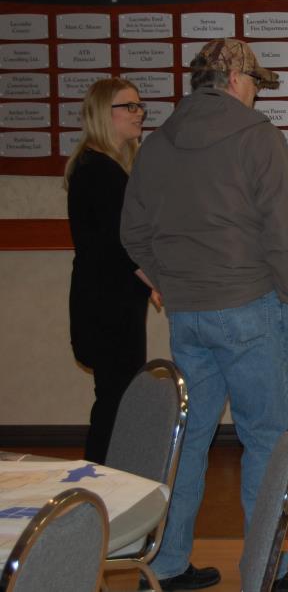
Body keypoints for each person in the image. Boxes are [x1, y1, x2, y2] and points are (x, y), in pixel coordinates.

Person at [121, 38, 288, 592]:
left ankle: (166, 563)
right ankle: (263, 571)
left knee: (190, 439)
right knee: (265, 439)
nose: (255, 94)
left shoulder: (157, 144)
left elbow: (132, 232)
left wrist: (170, 282)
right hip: (252, 306)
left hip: (188, 316)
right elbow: (286, 231)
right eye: (254, 83)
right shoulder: (257, 137)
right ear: (233, 79)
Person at [66, 77, 159, 465]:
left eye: (140, 106)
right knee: (115, 398)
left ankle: (108, 478)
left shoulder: (112, 167)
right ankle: (99, 481)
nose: (139, 114)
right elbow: (117, 245)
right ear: (105, 114)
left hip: (114, 301)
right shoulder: (97, 170)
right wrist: (157, 282)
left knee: (119, 394)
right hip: (105, 305)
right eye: (130, 107)